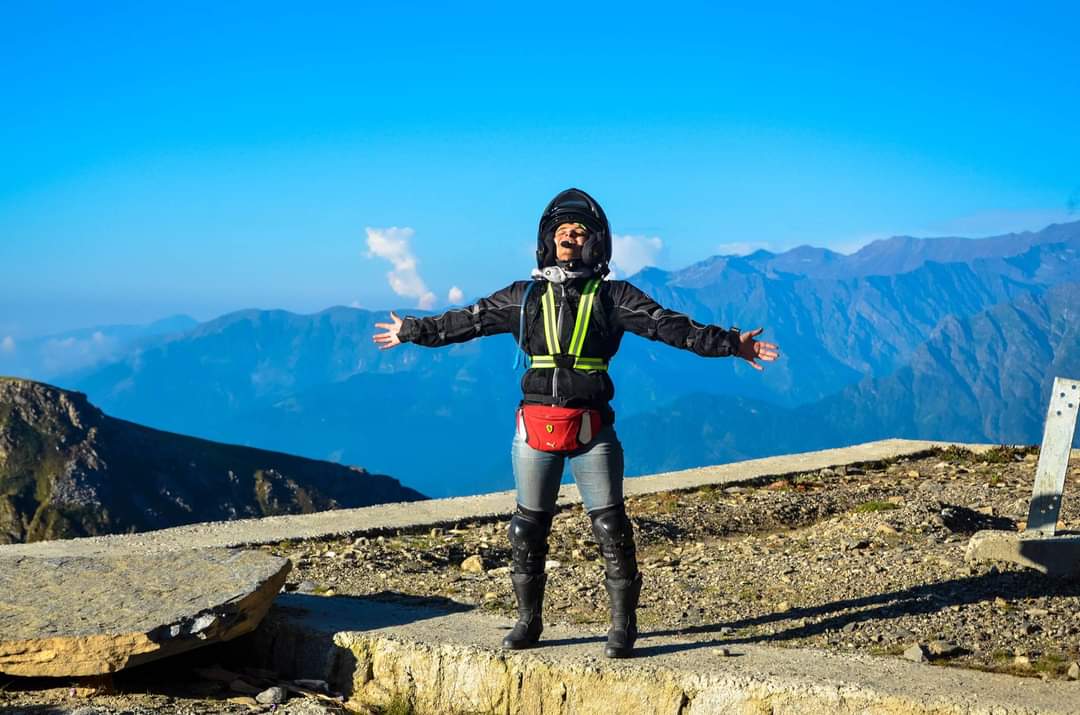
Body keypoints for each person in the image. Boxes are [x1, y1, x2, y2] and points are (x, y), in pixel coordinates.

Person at [372, 188, 780, 658]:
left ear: (596, 243)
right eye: (562, 230)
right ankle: (528, 622)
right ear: (548, 240)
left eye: (580, 231)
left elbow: (671, 327)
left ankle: (622, 627)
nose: (569, 235)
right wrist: (411, 331)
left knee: (611, 528)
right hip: (535, 427)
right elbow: (466, 321)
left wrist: (731, 344)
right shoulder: (521, 297)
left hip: (592, 428)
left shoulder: (614, 297)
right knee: (526, 529)